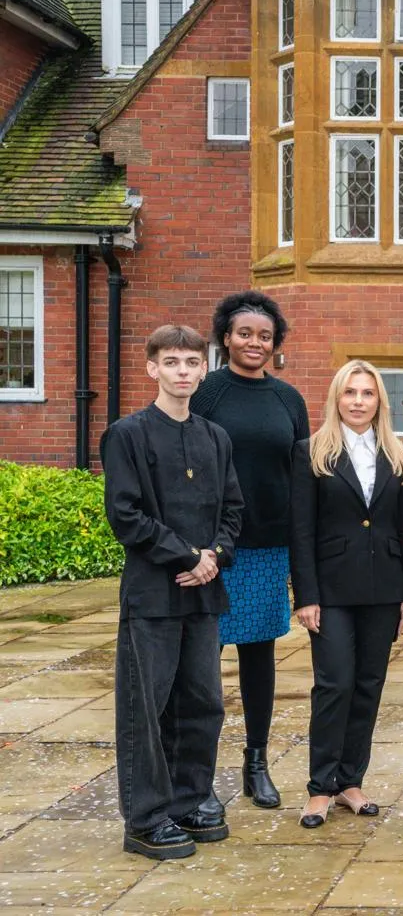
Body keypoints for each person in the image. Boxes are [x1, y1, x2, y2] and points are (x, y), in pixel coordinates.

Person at [102, 324, 244, 860]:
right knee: (148, 706)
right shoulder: (128, 434)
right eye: (172, 362)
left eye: (191, 362)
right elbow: (126, 515)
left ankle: (190, 798)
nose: (183, 371)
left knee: (203, 702)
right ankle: (144, 818)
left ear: (203, 369)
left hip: (204, 594)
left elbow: (233, 509)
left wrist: (214, 558)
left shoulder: (215, 436)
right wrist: (186, 556)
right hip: (152, 595)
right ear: (152, 369)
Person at [191, 291, 308, 809]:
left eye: (264, 336)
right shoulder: (206, 394)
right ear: (225, 337)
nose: (254, 343)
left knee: (259, 657)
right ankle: (198, 771)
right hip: (214, 550)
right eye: (245, 334)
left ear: (274, 342)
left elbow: (303, 475)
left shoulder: (289, 400)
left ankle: (256, 762)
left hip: (268, 548)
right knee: (201, 661)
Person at [289, 360, 403, 828]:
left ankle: (350, 782)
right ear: (336, 398)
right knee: (334, 684)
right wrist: (305, 595)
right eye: (350, 393)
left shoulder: (396, 452)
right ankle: (320, 787)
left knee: (368, 685)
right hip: (332, 590)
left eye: (367, 393)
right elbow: (300, 529)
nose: (359, 401)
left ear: (380, 400)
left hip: (384, 589)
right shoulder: (311, 452)